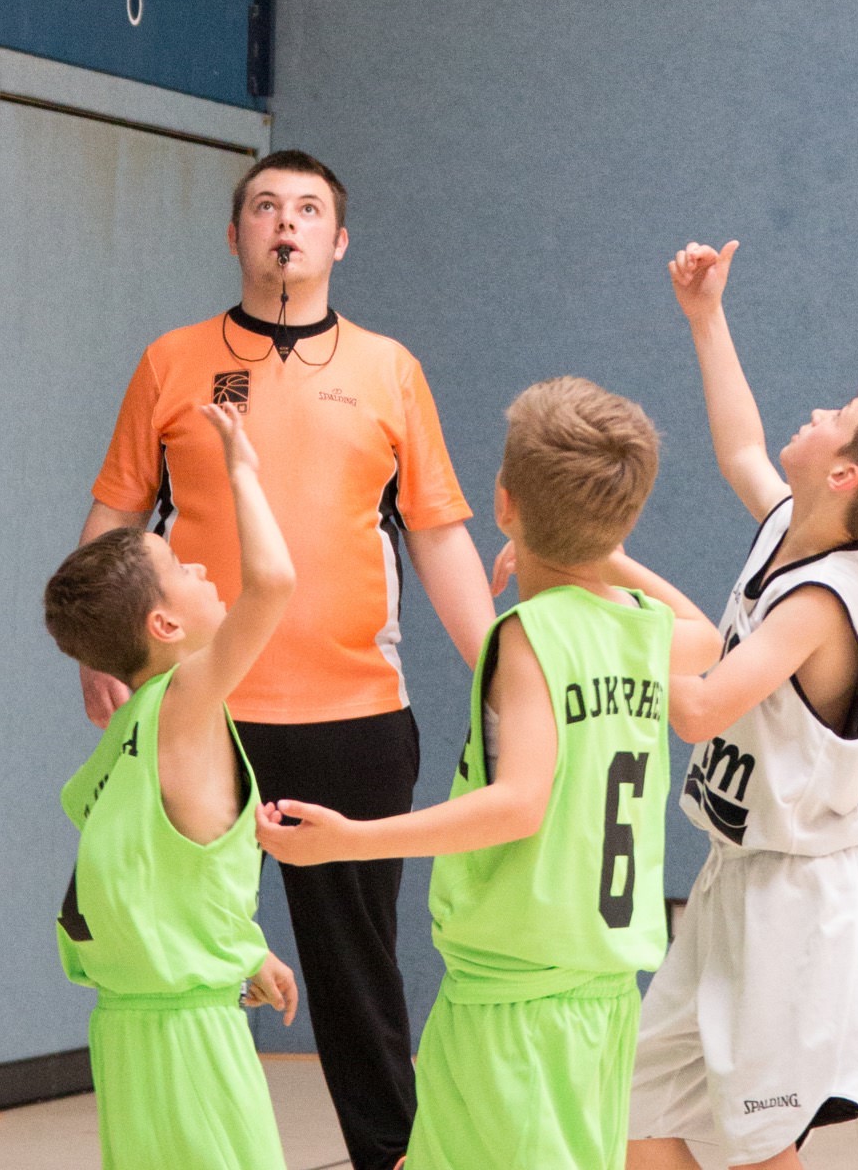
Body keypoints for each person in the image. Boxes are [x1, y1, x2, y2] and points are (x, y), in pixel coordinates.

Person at [78, 149, 495, 1170]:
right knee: (184, 952)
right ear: (236, 236)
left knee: (358, 973)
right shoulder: (172, 362)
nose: (286, 224)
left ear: (338, 242)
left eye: (308, 209)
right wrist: (95, 648)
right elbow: (120, 514)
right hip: (203, 717)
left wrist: (499, 669)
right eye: (265, 207)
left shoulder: (389, 368)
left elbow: (438, 535)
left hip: (353, 715)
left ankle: (390, 1158)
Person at [260, 376, 722, 1170]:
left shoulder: (529, 637)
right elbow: (706, 637)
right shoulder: (637, 629)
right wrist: (612, 557)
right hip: (598, 985)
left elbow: (518, 804)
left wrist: (351, 840)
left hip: (518, 998)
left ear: (503, 504)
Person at [628, 241, 858, 1170]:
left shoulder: (821, 605)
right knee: (634, 1116)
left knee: (759, 1151)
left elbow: (699, 710)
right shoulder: (792, 524)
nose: (818, 413)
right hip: (734, 881)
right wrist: (706, 317)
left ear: (846, 475)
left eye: (838, 418)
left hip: (796, 909)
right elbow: (740, 447)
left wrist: (602, 622)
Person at [42, 403, 300, 1170]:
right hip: (190, 1034)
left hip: (124, 1030)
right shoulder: (185, 701)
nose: (201, 569)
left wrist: (239, 948)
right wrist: (243, 473)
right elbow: (273, 583)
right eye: (183, 568)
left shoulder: (121, 742)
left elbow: (153, 875)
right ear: (164, 627)